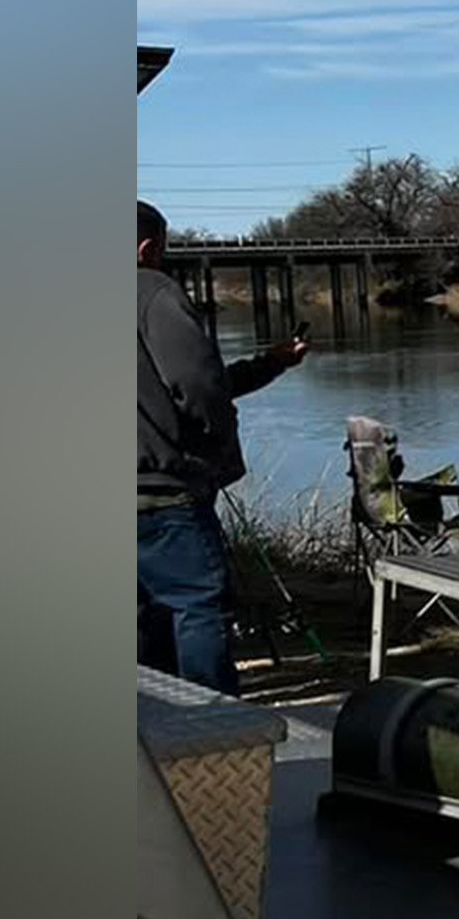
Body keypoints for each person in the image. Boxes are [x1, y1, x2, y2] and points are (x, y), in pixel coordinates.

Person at [137, 202, 307, 689]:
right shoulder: (152, 291)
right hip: (166, 493)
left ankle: (154, 728)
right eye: (163, 252)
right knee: (196, 607)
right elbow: (198, 385)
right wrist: (211, 453)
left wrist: (266, 365)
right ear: (147, 249)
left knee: (142, 616)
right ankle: (213, 728)